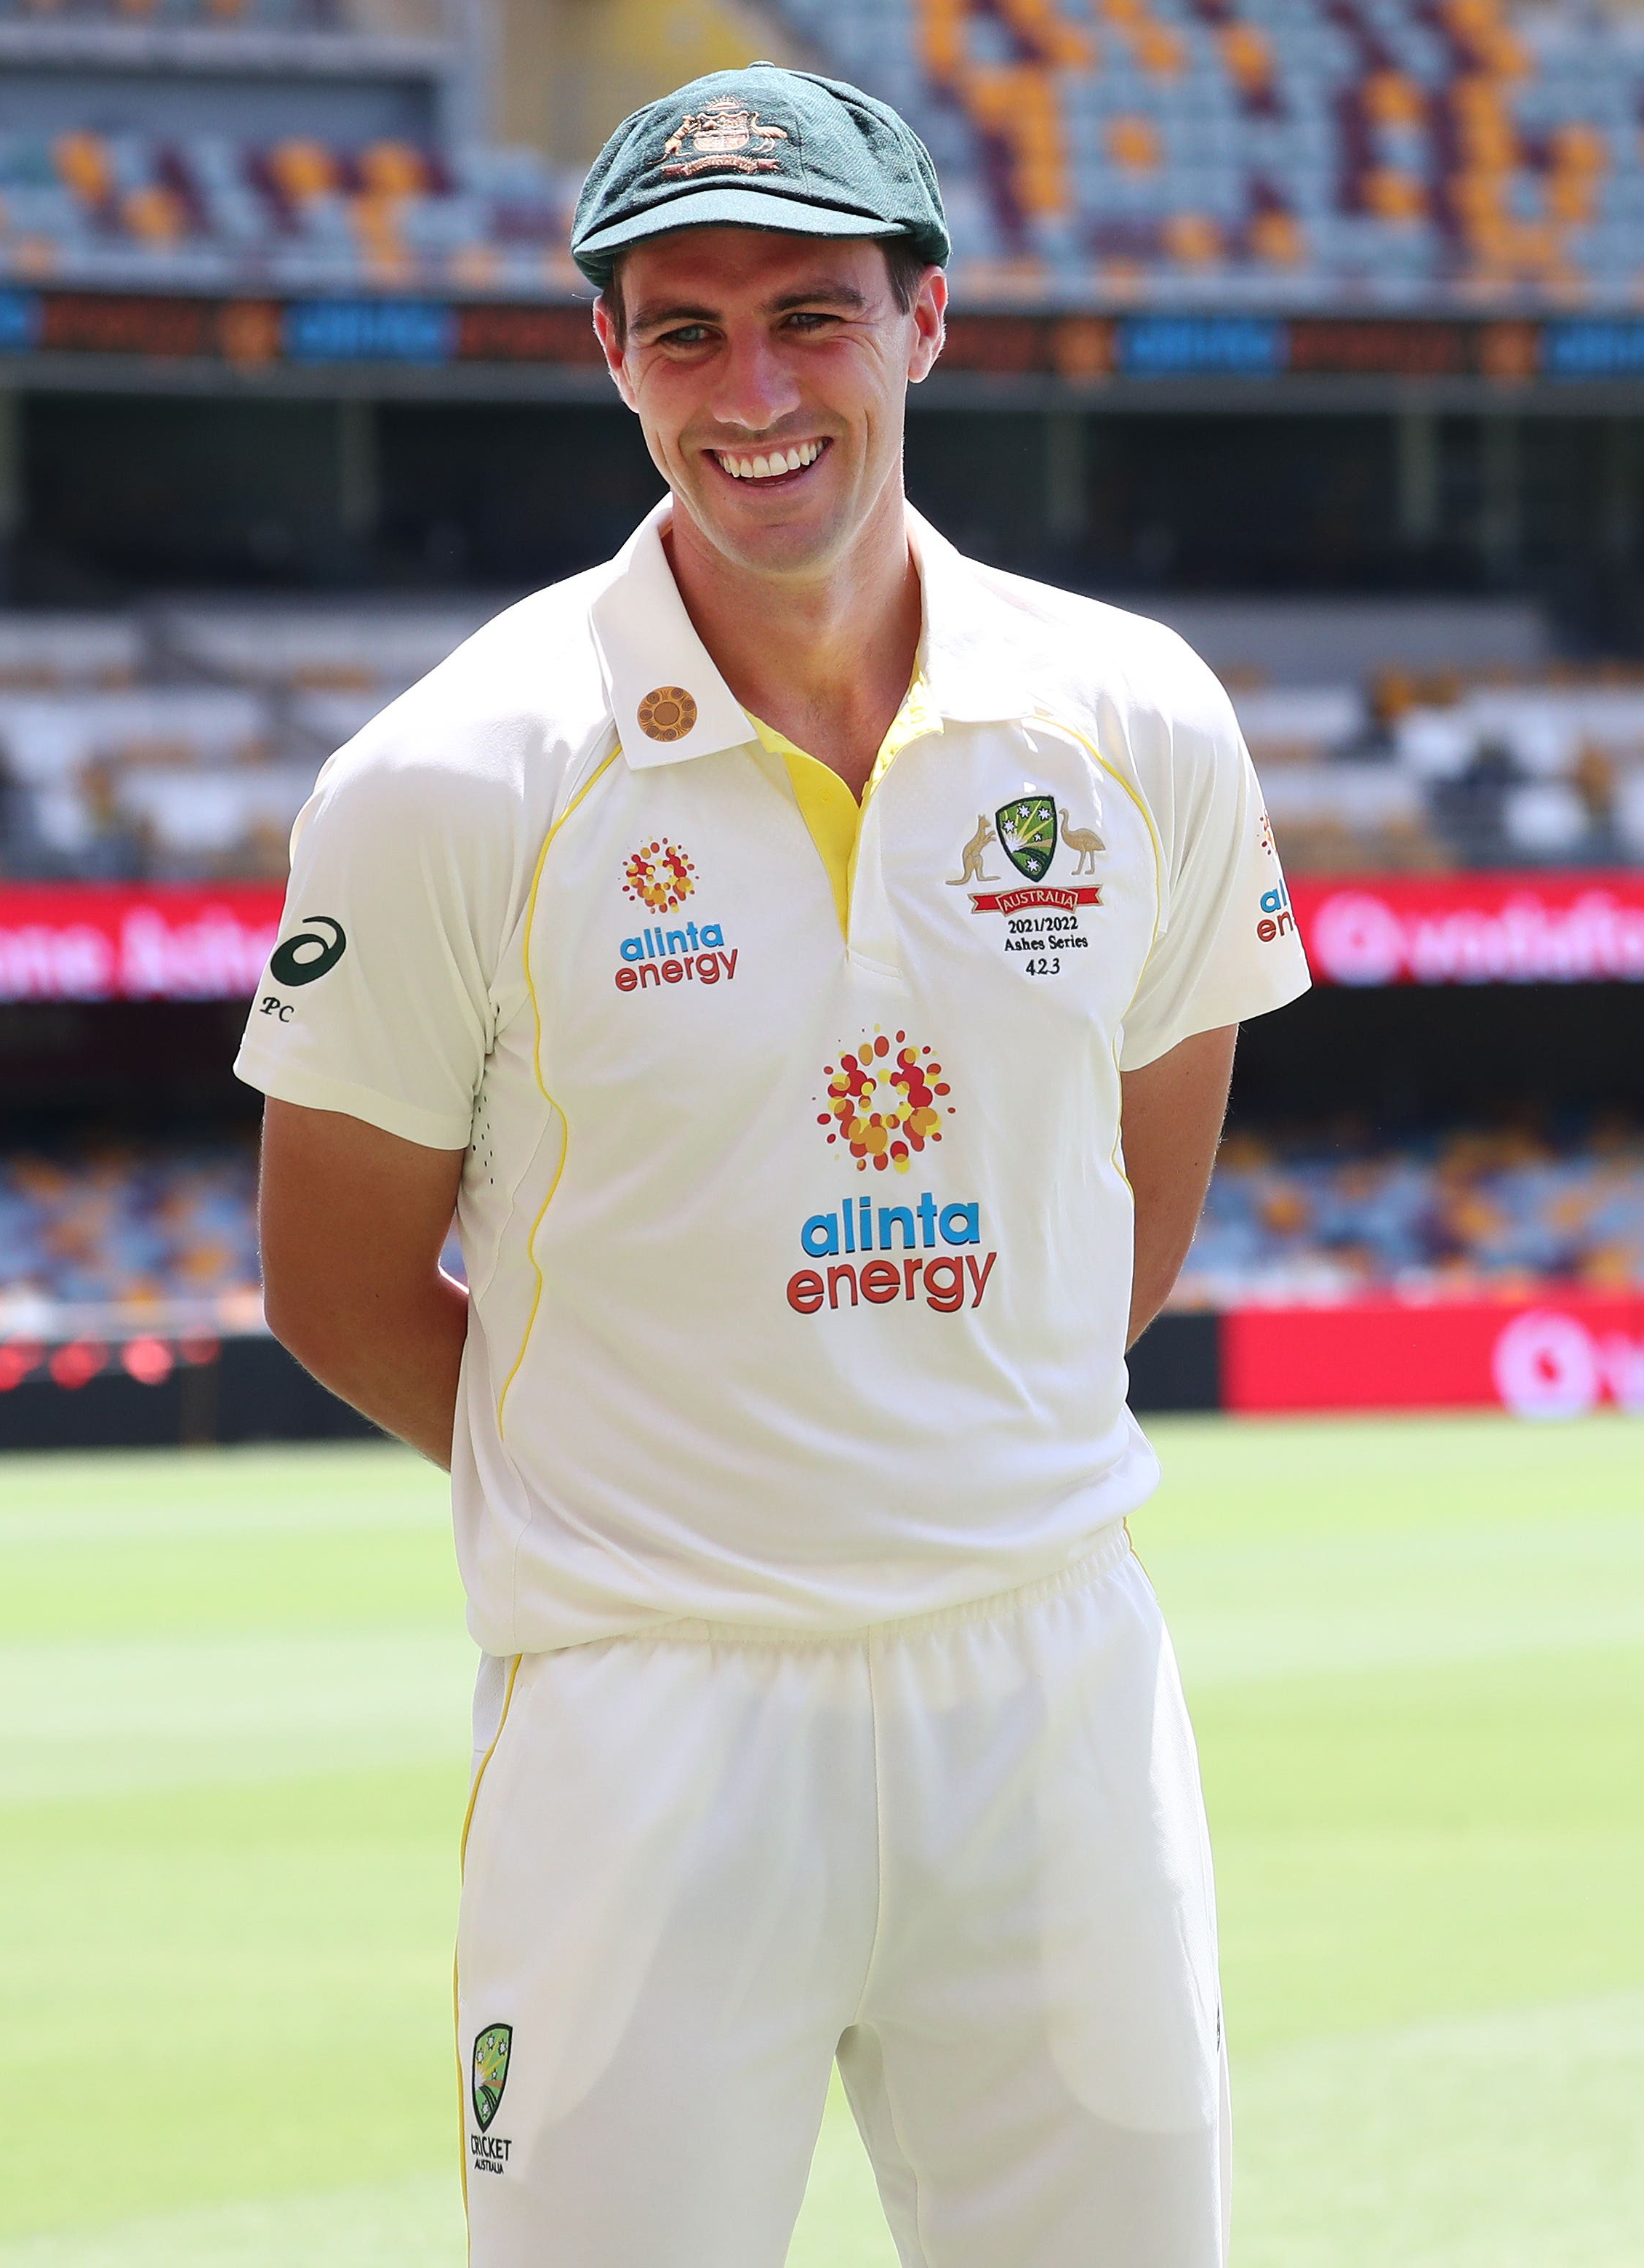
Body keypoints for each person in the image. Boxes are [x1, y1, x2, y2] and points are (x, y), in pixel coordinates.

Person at [238, 66, 1307, 2268]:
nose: (756, 391)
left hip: (1049, 1686)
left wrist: (919, 1447)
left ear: (928, 324)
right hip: (650, 1711)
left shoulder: (1139, 719)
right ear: (607, 354)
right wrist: (668, 1492)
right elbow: (333, 1284)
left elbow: (1130, 1208)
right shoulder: (451, 773)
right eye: (687, 329)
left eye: (813, 317)